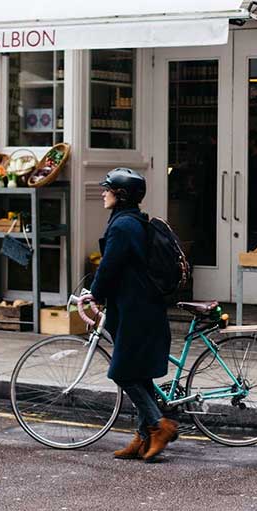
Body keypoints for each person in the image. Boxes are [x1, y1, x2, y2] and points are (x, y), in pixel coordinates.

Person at [89, 167, 177, 462]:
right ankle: (142, 439)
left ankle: (159, 425)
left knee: (123, 373)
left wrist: (95, 293)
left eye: (108, 189)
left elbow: (109, 266)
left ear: (121, 194)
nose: (103, 192)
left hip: (136, 311)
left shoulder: (123, 227)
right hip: (140, 308)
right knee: (140, 375)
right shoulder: (131, 221)